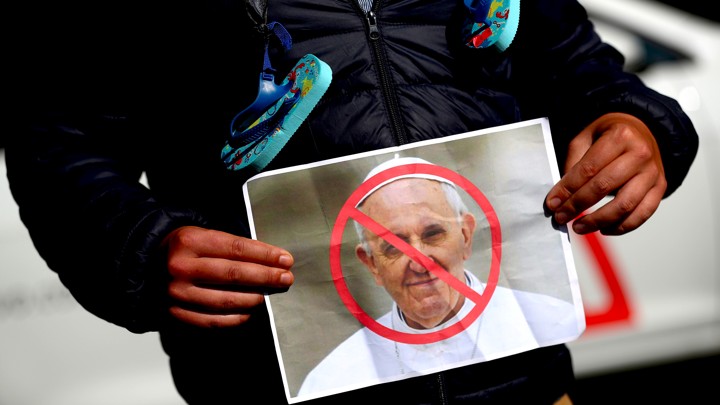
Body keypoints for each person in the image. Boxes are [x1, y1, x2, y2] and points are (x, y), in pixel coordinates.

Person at [6, 0, 698, 404]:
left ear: (462, 230)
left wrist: (636, 123)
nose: (414, 257)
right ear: (371, 254)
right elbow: (59, 143)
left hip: (526, 383)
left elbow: (583, 68)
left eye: (434, 234)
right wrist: (138, 246)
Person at [298, 157, 582, 397]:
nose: (420, 262)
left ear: (466, 236)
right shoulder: (330, 380)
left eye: (433, 234)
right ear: (372, 264)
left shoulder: (548, 320)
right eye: (394, 246)